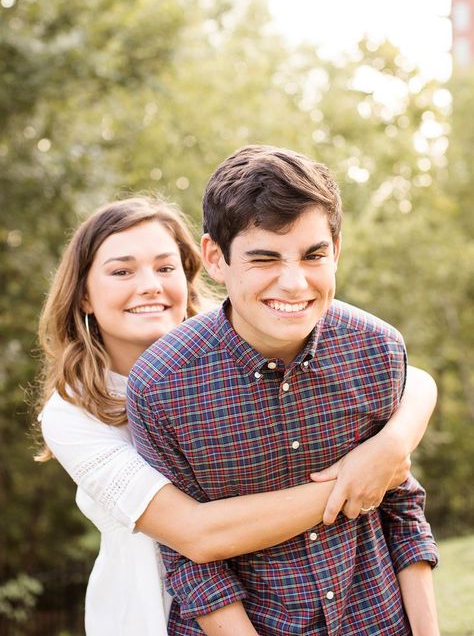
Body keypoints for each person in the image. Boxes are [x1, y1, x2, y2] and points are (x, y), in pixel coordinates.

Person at [37, 197, 436, 636]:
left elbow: (409, 377)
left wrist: (392, 444)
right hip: (154, 608)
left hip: (264, 594)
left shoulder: (240, 333)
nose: (150, 285)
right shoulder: (70, 415)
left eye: (166, 268)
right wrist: (360, 477)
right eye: (122, 271)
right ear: (84, 295)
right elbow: (196, 534)